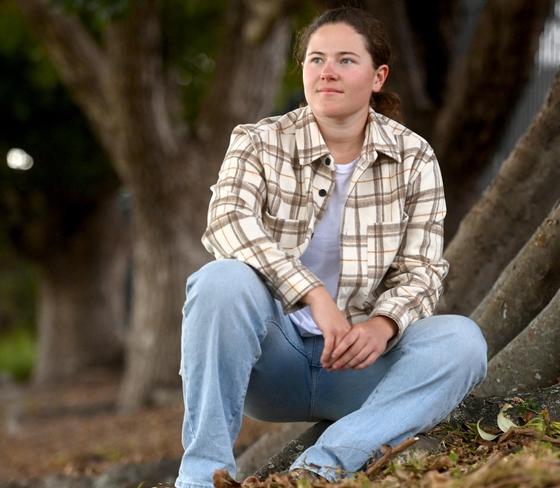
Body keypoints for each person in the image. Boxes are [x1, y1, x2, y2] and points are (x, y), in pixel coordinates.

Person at [175, 6, 487, 487]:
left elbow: (423, 269)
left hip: (363, 370)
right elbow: (227, 223)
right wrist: (313, 295)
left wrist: (383, 326)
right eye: (316, 59)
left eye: (345, 60)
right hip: (269, 362)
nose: (327, 71)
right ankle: (200, 476)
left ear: (378, 76)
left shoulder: (414, 157)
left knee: (462, 341)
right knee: (222, 279)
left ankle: (321, 469)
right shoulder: (259, 142)